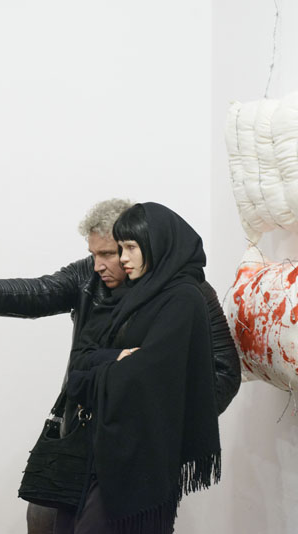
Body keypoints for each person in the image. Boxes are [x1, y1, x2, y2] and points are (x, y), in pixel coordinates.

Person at [0, 199, 239, 534]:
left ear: (143, 244)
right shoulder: (90, 277)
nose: (99, 264)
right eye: (94, 254)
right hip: (81, 427)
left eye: (111, 252)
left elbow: (223, 370)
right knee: (43, 519)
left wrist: (165, 422)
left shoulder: (185, 293)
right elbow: (42, 292)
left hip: (137, 444)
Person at [58, 202, 221, 534]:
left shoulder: (184, 298)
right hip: (106, 445)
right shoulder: (134, 294)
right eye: (120, 248)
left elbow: (148, 374)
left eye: (130, 247)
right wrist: (117, 358)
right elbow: (83, 357)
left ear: (156, 243)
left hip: (145, 453)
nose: (123, 259)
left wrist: (89, 378)